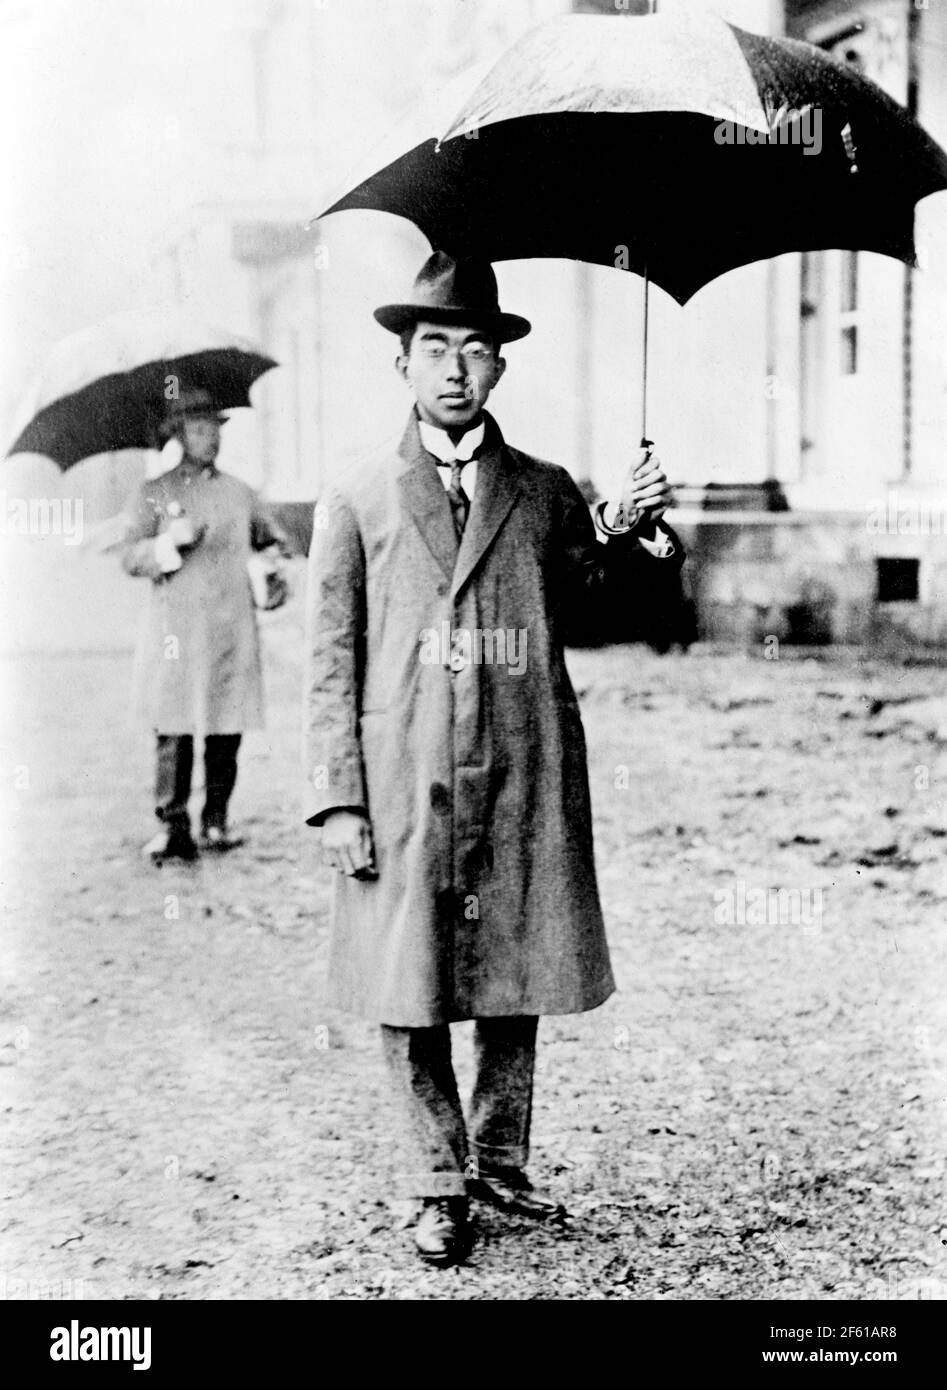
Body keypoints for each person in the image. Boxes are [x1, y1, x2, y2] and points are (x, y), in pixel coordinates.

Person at [304, 251, 684, 1266]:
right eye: (435, 347)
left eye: (476, 347)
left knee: (515, 962)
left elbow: (602, 607)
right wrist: (339, 798)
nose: (457, 368)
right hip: (404, 777)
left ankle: (500, 1166)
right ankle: (436, 1181)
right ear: (402, 364)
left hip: (521, 765)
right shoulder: (353, 496)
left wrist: (634, 532)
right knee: (406, 977)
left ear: (500, 366)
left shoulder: (546, 491)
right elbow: (329, 658)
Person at [121, 388, 286, 863]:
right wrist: (166, 543)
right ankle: (173, 825)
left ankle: (216, 820)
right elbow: (130, 557)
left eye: (214, 428)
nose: (209, 438)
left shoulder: (240, 493)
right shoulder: (154, 493)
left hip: (229, 628)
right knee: (173, 728)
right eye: (197, 429)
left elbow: (273, 541)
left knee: (224, 726)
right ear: (177, 434)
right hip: (174, 630)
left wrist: (271, 567)